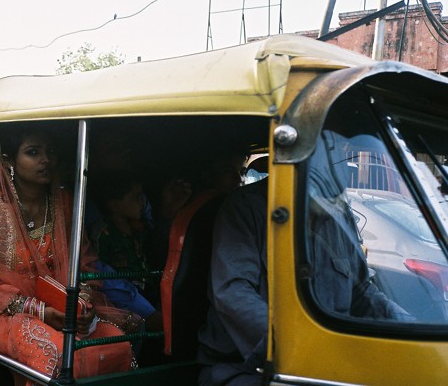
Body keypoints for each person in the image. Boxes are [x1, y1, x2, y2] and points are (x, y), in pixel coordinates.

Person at [197, 130, 412, 386]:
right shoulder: (246, 207)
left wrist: (409, 327)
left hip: (329, 362)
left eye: (343, 161)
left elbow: (362, 290)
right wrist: (301, 346)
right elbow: (232, 292)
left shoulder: (337, 214)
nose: (342, 172)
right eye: (333, 161)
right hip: (246, 367)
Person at [0, 124, 140, 385]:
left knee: (118, 345)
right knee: (54, 355)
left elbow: (83, 261)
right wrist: (40, 311)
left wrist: (83, 302)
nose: (46, 160)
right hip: (6, 315)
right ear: (8, 159)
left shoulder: (64, 202)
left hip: (63, 308)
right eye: (33, 152)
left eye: (50, 151)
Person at [89, 169, 163, 331]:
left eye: (142, 197)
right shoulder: (103, 233)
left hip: (148, 292)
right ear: (114, 205)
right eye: (135, 197)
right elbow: (100, 275)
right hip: (119, 301)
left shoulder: (142, 228)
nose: (141, 202)